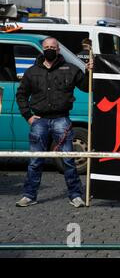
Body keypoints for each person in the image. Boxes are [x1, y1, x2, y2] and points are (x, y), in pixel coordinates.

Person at [15, 37, 93, 208]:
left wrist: (89, 72)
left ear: (58, 50)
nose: (50, 49)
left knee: (68, 160)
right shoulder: (32, 72)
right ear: (43, 50)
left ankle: (75, 195)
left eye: (53, 47)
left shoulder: (71, 70)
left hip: (61, 119)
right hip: (39, 120)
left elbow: (87, 87)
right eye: (47, 47)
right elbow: (21, 95)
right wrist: (28, 115)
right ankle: (29, 195)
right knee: (35, 160)